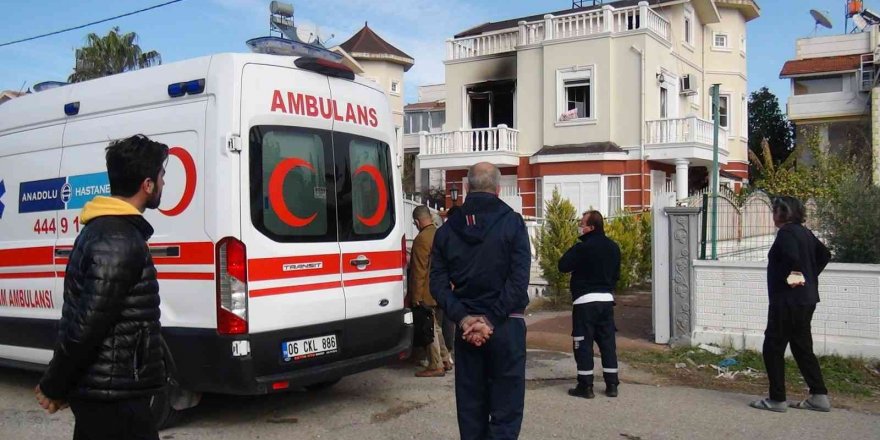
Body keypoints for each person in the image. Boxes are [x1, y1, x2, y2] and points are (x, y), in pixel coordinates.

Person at [35, 134, 170, 439]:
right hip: (113, 397)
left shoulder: (110, 230)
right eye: (161, 176)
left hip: (112, 391)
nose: (164, 184)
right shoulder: (118, 239)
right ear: (147, 185)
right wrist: (54, 385)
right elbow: (87, 324)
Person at [430, 162, 531, 440]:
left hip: (467, 331)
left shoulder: (447, 231)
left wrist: (464, 319)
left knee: (471, 412)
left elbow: (437, 285)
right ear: (498, 189)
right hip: (506, 327)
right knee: (506, 414)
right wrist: (490, 320)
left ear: (465, 188)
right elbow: (519, 281)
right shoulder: (513, 223)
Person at [750, 196, 832, 413]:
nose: (772, 215)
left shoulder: (786, 233)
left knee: (773, 348)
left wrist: (795, 281)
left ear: (782, 213)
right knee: (802, 347)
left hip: (787, 302)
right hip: (807, 300)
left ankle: (777, 400)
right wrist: (809, 279)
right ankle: (819, 396)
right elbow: (825, 254)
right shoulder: (804, 232)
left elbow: (792, 259)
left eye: (774, 211)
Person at [558, 210, 622, 399]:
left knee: (583, 343)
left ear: (591, 227)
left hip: (585, 301)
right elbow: (616, 275)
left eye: (582, 224)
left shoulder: (583, 247)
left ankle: (585, 386)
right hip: (606, 301)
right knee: (607, 342)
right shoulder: (613, 247)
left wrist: (576, 246)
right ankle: (612, 385)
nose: (581, 227)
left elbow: (563, 265)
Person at [409, 205, 453, 377]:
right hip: (441, 287)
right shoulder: (440, 234)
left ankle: (435, 365)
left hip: (427, 291)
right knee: (437, 327)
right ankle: (445, 359)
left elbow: (419, 270)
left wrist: (416, 296)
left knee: (429, 329)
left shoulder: (421, 239)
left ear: (417, 221)